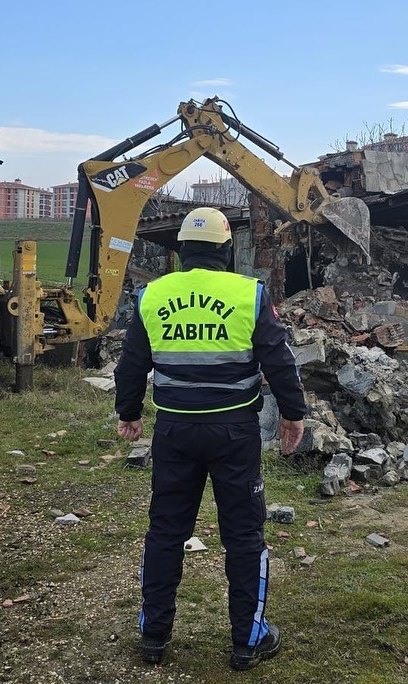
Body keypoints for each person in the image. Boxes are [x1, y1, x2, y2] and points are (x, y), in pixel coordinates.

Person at [115, 206, 307, 671]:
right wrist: (293, 414)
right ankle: (248, 642)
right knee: (244, 536)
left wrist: (128, 413)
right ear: (226, 251)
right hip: (234, 433)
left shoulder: (151, 296)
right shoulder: (250, 294)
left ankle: (154, 637)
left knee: (165, 532)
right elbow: (279, 360)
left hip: (175, 430)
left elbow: (132, 361)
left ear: (181, 251)